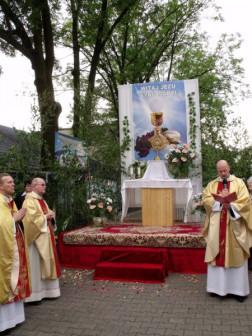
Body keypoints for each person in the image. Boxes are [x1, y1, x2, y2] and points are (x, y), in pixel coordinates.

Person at [202, 160, 252, 302]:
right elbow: (206, 200)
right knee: (217, 252)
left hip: (234, 225)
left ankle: (238, 291)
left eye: (225, 170)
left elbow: (245, 201)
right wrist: (218, 201)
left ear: (229, 168)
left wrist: (230, 204)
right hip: (218, 224)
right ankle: (217, 289)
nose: (223, 173)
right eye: (220, 171)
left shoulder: (239, 183)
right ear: (217, 170)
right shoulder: (212, 184)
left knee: (235, 252)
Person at [0, 173, 31, 332]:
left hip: (14, 246)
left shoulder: (9, 201)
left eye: (13, 181)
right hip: (5, 251)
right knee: (6, 282)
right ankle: (4, 323)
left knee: (15, 280)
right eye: (9, 182)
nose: (13, 184)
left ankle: (14, 318)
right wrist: (15, 219)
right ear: (0, 186)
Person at [22, 177, 61, 303]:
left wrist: (50, 216)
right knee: (36, 266)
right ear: (34, 186)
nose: (45, 187)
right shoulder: (29, 201)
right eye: (42, 185)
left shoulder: (41, 200)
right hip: (36, 240)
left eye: (45, 185)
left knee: (47, 262)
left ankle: (49, 291)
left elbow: (46, 214)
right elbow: (30, 220)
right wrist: (45, 217)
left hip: (45, 235)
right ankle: (35, 295)